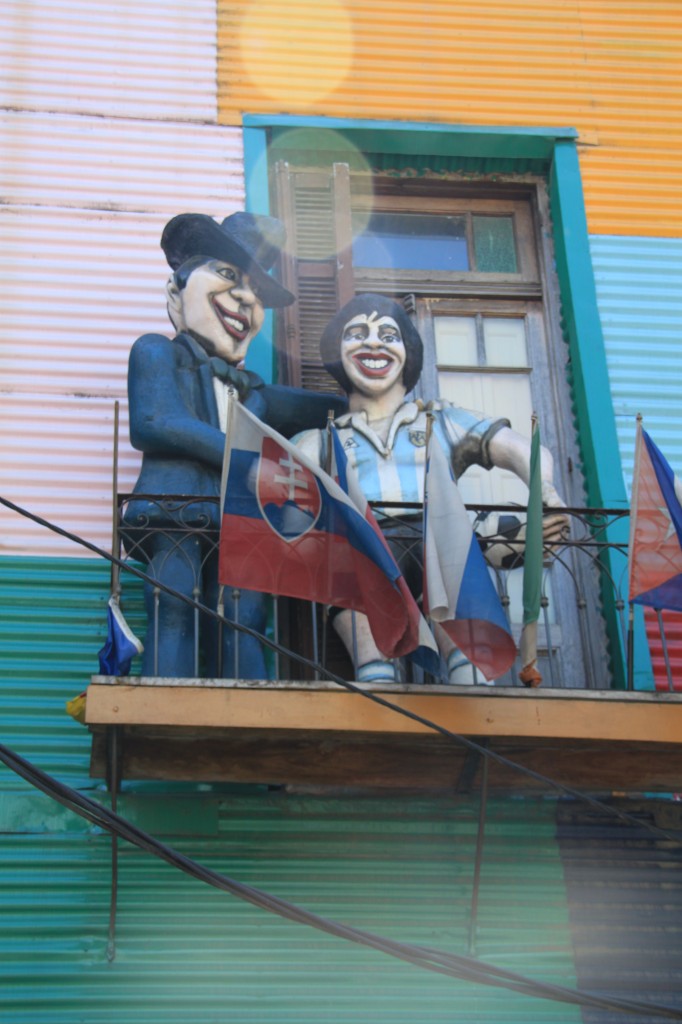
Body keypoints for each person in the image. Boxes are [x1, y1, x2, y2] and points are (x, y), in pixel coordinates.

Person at [292, 293, 567, 684]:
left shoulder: (442, 420)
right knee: (375, 672)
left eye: (389, 335)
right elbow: (274, 495)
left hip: (439, 544)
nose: (374, 343)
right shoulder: (320, 440)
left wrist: (545, 492)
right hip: (363, 551)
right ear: (337, 350)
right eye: (358, 333)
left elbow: (518, 448)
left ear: (408, 351)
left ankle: (470, 699)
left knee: (467, 668)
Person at [123, 212, 345, 679]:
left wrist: (366, 392)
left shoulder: (254, 391)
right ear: (176, 293)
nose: (246, 297)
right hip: (175, 509)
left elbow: (325, 409)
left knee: (245, 615)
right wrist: (246, 459)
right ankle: (165, 698)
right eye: (227, 274)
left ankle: (248, 699)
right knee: (174, 603)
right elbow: (154, 422)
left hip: (242, 521)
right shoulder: (155, 350)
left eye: (257, 291)